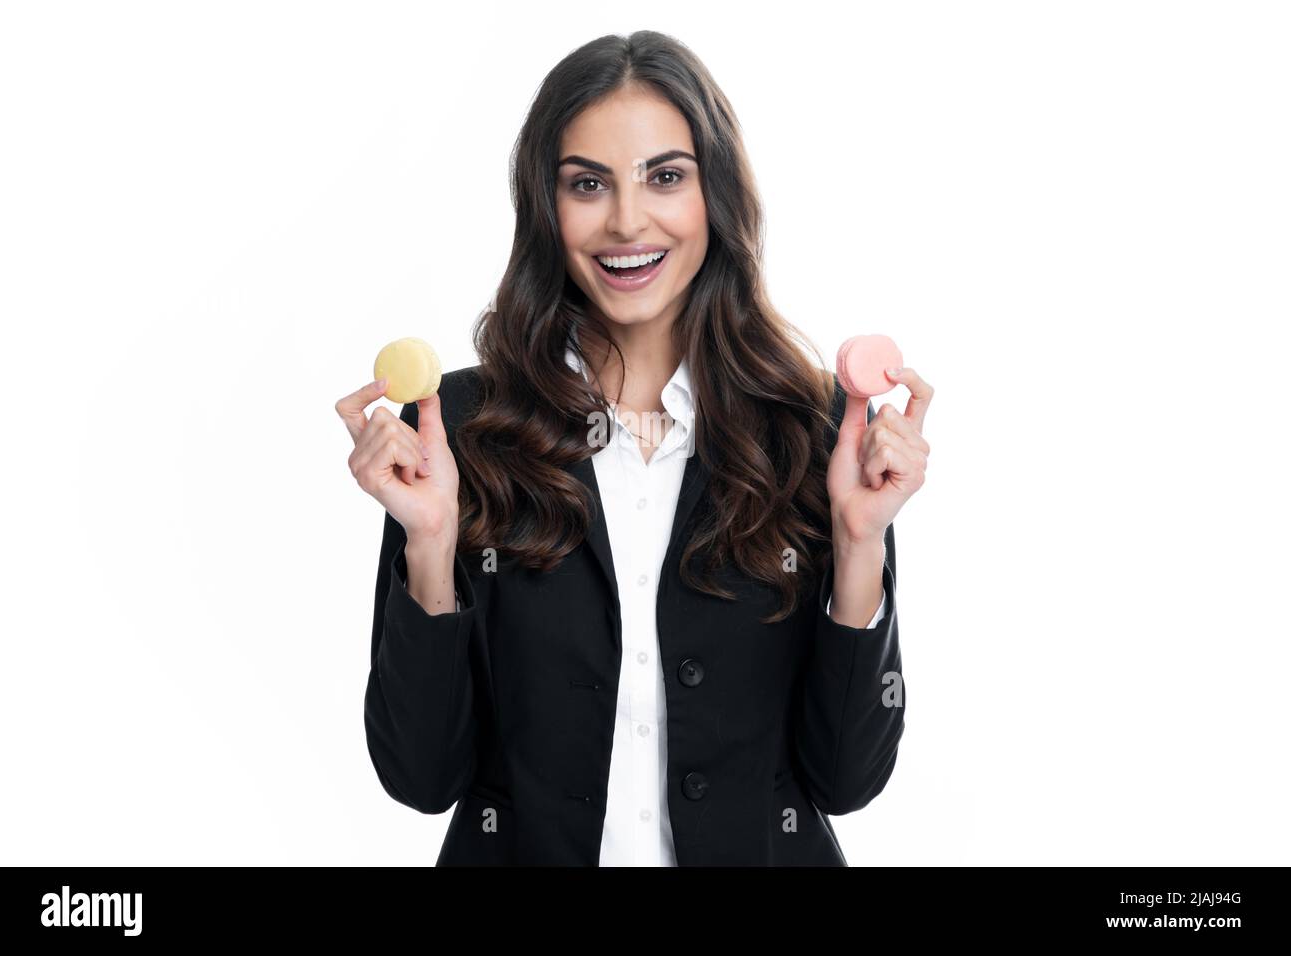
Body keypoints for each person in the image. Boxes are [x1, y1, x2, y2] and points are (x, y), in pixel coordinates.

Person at [335, 31, 932, 866]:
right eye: (588, 183)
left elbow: (845, 781)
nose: (626, 220)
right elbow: (422, 777)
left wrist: (859, 543)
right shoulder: (458, 425)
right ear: (547, 205)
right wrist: (431, 546)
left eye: (665, 176)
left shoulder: (815, 430)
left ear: (714, 194)